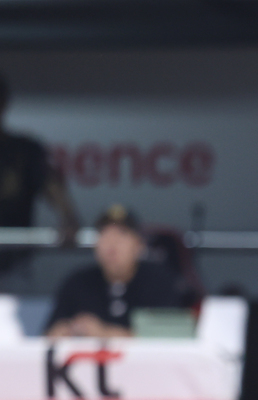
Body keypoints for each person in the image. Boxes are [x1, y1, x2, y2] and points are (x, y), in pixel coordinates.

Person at [45, 205, 184, 338]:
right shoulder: (77, 283)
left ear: (139, 245)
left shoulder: (159, 281)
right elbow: (50, 333)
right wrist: (65, 330)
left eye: (122, 233)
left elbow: (174, 336)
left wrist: (106, 333)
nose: (112, 243)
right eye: (104, 234)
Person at [0, 71, 79, 277]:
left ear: (4, 103)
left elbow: (51, 186)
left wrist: (69, 218)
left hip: (13, 262)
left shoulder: (25, 149)